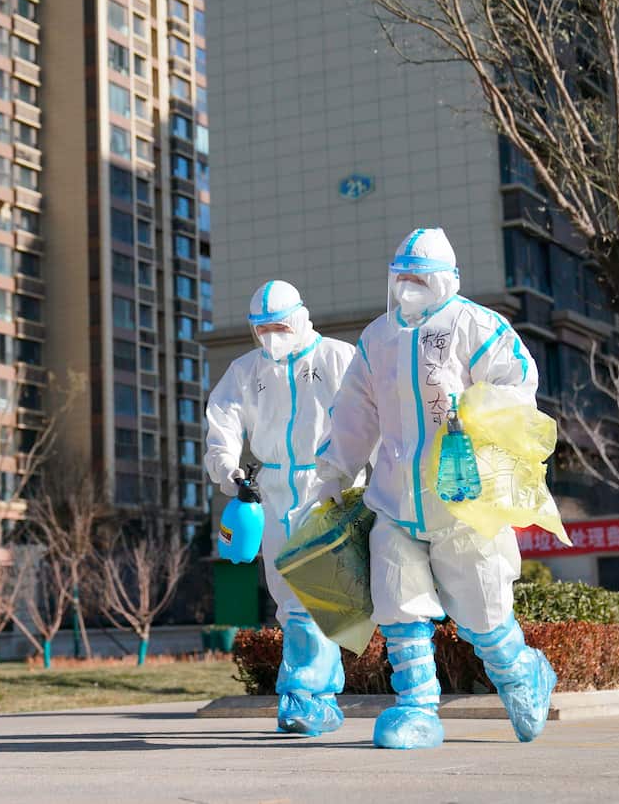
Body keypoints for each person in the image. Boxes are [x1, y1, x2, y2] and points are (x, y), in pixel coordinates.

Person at [313, 227, 557, 750]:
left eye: (421, 279)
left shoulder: (477, 324)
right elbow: (356, 410)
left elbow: (519, 383)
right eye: (402, 279)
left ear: (447, 279)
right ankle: (417, 708)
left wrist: (480, 413)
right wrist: (335, 468)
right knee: (399, 606)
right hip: (395, 500)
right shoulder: (377, 338)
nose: (409, 288)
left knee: (484, 612)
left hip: (462, 499)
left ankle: (522, 678)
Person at [205, 280, 358, 736]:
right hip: (270, 490)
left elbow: (365, 416)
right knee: (292, 598)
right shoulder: (245, 370)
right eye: (261, 328)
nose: (270, 336)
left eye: (278, 326)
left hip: (327, 484)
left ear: (300, 317)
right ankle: (322, 699)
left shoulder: (337, 357)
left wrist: (357, 474)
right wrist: (228, 470)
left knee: (317, 596)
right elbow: (223, 420)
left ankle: (301, 694)